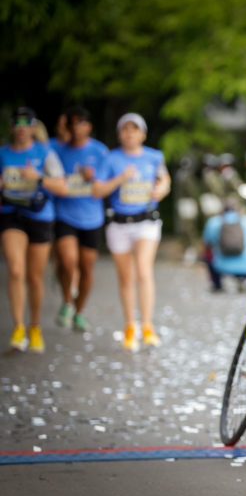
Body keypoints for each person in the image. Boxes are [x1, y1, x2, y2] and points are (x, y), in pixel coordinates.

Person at [92, 113, 171, 352]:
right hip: (119, 223)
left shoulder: (154, 157)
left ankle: (147, 325)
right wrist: (121, 179)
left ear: (143, 134)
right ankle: (130, 326)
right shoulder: (111, 159)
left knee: (144, 271)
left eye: (134, 129)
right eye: (125, 130)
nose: (130, 134)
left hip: (146, 222)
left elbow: (165, 180)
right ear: (119, 134)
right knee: (126, 277)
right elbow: (98, 190)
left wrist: (161, 190)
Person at [1, 107, 68, 352]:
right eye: (16, 124)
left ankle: (35, 326)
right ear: (12, 128)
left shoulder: (45, 153)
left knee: (34, 276)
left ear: (32, 127)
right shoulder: (3, 154)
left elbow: (62, 186)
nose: (20, 128)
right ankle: (18, 328)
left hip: (40, 216)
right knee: (16, 270)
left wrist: (36, 177)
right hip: (11, 216)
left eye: (25, 123)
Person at [52, 106, 109, 332]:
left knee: (87, 269)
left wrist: (93, 178)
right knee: (67, 261)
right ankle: (67, 300)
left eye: (81, 123)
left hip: (92, 217)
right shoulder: (56, 149)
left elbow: (103, 187)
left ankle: (79, 311)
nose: (77, 128)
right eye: (72, 123)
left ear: (89, 126)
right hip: (64, 214)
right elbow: (37, 147)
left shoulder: (100, 151)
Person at [202, 199, 246, 292]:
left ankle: (217, 284)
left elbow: (208, 242)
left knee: (208, 255)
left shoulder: (213, 222)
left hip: (220, 265)